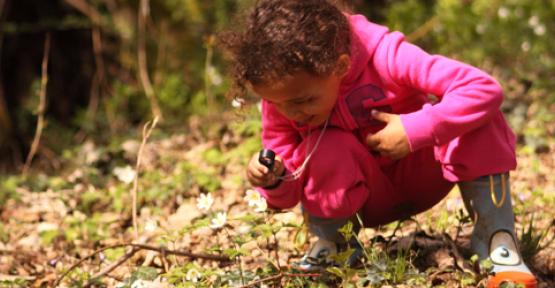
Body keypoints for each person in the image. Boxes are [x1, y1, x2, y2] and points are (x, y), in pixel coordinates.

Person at [220, 0, 537, 287]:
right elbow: (286, 196)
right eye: (278, 104)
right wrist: (273, 179)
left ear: (341, 66)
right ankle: (333, 247)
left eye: (303, 100)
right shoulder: (284, 100)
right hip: (362, 203)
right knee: (327, 144)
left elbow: (483, 89)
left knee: (479, 118)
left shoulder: (386, 55)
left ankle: (496, 241)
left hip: (424, 175)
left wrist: (414, 129)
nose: (291, 113)